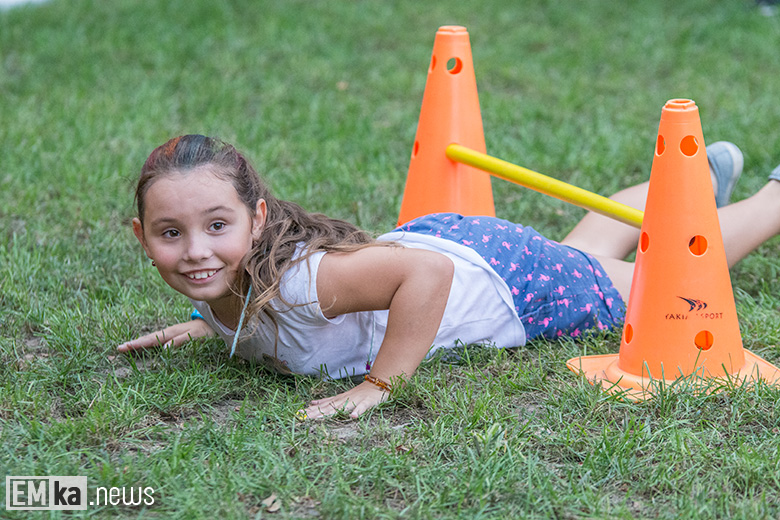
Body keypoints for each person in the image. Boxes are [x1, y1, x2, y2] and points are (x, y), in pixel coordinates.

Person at [117, 135, 780, 419]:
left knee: (667, 284)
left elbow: (426, 275)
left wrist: (380, 384)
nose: (197, 251)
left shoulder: (300, 283)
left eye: (216, 227)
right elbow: (238, 300)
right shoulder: (231, 287)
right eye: (172, 233)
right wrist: (205, 325)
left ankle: (764, 202)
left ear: (256, 220)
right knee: (580, 252)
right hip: (464, 248)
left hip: (497, 281)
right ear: (143, 237)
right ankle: (688, 186)